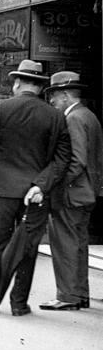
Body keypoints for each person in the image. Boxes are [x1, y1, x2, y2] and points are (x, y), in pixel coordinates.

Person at [0, 59, 71, 316]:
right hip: (35, 194)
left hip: (2, 189)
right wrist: (41, 185)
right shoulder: (56, 115)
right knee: (27, 248)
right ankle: (18, 303)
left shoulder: (1, 108)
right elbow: (63, 159)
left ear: (17, 83)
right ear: (40, 87)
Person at [41, 72, 103, 311]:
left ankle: (67, 296)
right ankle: (79, 294)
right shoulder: (88, 116)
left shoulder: (74, 118)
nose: (52, 101)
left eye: (54, 96)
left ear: (66, 95)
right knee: (77, 245)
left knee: (65, 246)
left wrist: (55, 183)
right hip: (85, 193)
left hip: (70, 194)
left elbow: (76, 161)